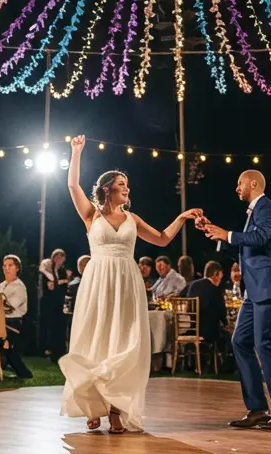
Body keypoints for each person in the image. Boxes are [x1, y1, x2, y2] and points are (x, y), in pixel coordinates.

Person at [59, 135, 200, 433]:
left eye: (127, 185)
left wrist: (183, 217)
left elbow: (162, 238)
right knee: (95, 337)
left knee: (122, 341)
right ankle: (92, 403)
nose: (127, 188)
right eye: (122, 184)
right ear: (108, 188)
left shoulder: (132, 219)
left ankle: (115, 410)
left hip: (127, 282)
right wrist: (76, 151)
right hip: (98, 281)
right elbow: (72, 186)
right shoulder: (91, 215)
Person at [200, 169, 271, 432]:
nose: (237, 188)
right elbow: (249, 244)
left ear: (253, 183)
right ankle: (257, 408)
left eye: (239, 183)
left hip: (270, 287)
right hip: (254, 291)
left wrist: (228, 235)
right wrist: (216, 233)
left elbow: (260, 238)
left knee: (263, 345)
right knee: (240, 341)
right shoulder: (254, 212)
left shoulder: (267, 207)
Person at [0, 254, 32, 380]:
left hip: (13, 323)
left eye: (10, 265)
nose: (6, 268)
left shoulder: (19, 287)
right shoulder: (1, 285)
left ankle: (23, 373)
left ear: (17, 268)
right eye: (4, 266)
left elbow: (9, 307)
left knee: (10, 351)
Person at [182, 261, 227, 347]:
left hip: (192, 329)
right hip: (208, 332)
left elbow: (181, 296)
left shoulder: (192, 285)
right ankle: (220, 360)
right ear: (215, 274)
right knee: (228, 335)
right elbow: (222, 312)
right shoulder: (214, 289)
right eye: (220, 276)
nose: (220, 280)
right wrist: (226, 323)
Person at [39, 248, 68, 362]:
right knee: (49, 326)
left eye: (61, 257)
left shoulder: (62, 271)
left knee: (59, 327)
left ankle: (58, 350)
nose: (59, 259)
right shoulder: (48, 269)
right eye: (57, 257)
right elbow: (49, 286)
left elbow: (63, 287)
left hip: (60, 304)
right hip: (49, 304)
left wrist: (62, 282)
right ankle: (47, 349)